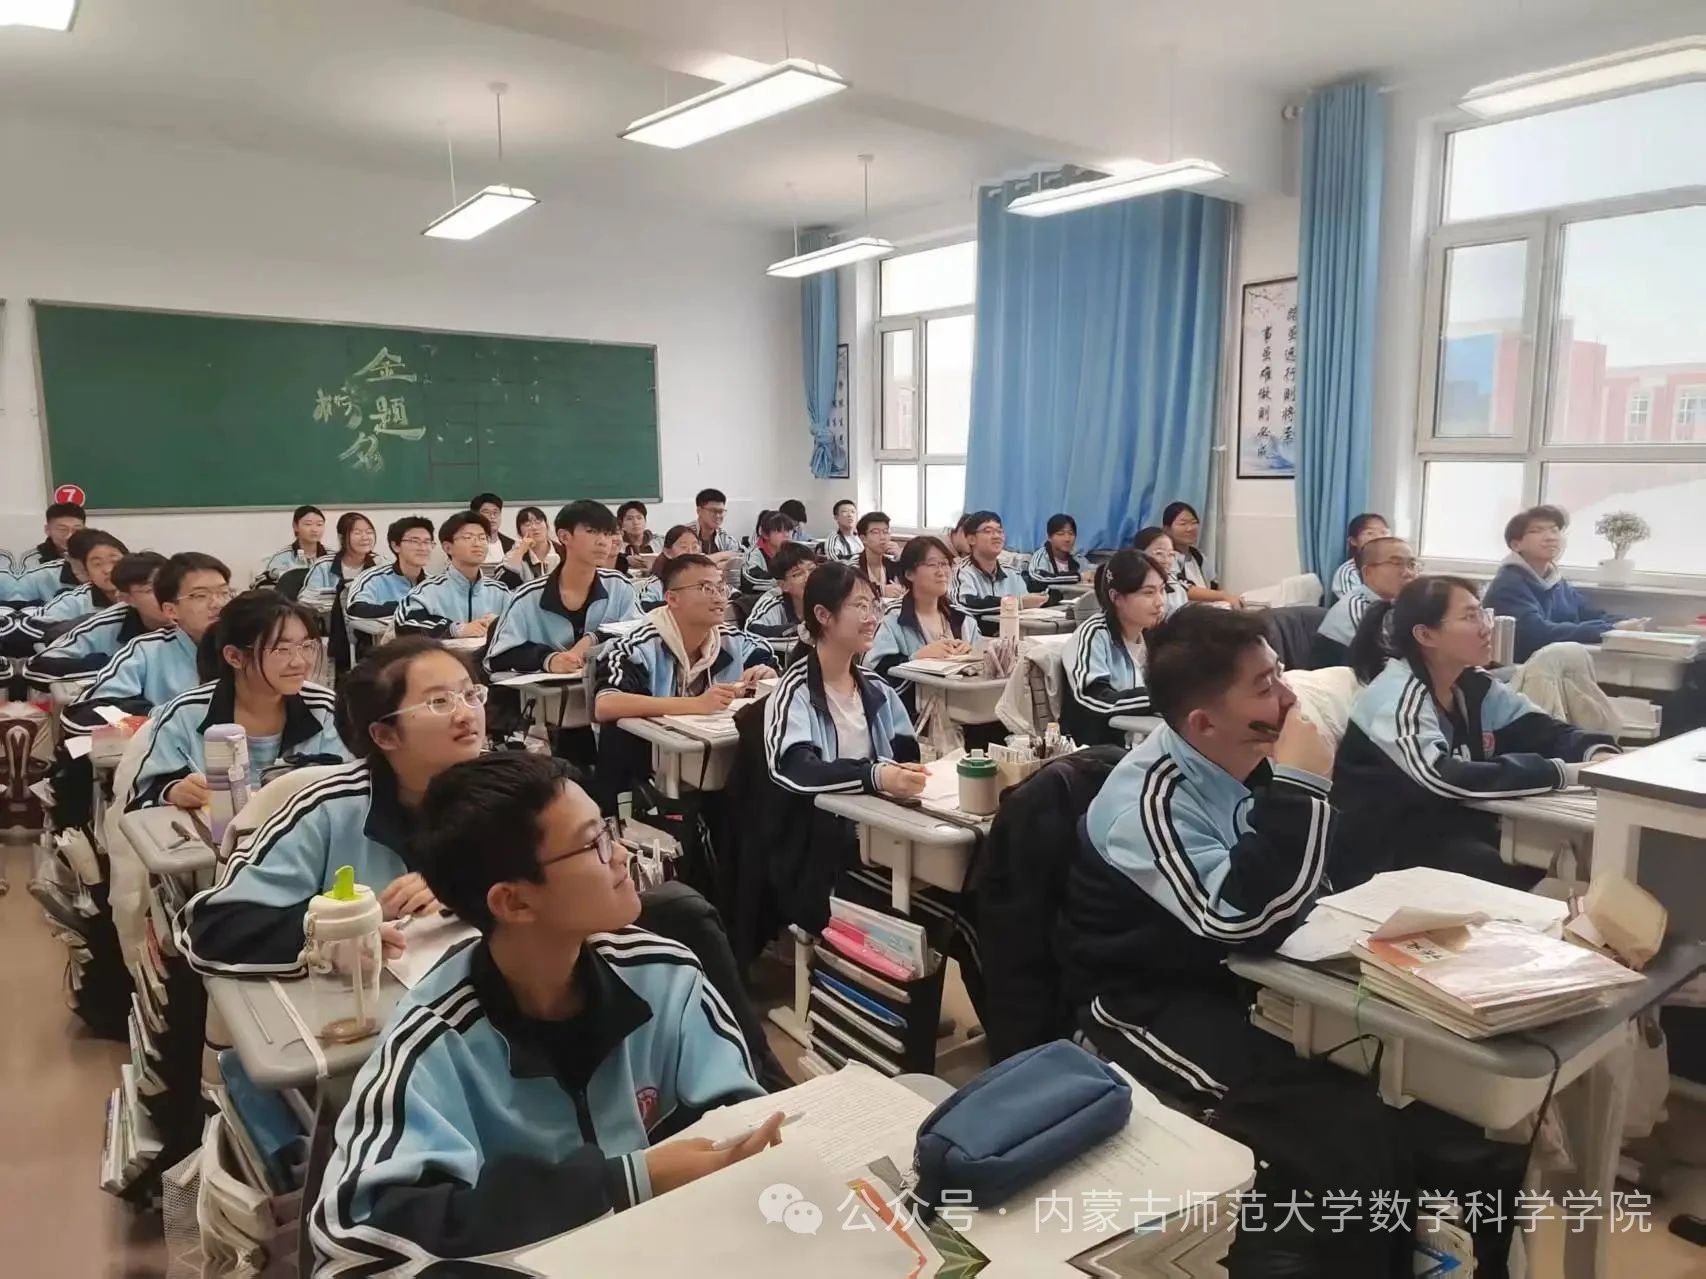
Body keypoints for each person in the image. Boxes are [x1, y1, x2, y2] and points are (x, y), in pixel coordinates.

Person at [309, 752, 781, 1273]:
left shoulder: (666, 975)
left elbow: (744, 1122)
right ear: (513, 903)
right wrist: (627, 1182)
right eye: (595, 843)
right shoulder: (433, 1041)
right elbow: (355, 1242)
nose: (622, 854)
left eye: (609, 830)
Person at [1060, 605, 1334, 1099]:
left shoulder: (1250, 758)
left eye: (1279, 673)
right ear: (1204, 724)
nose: (1289, 698)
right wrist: (1301, 790)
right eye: (1264, 688)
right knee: (1301, 1105)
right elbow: (1241, 921)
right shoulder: (1146, 805)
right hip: (1144, 1000)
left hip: (1236, 976)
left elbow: (1310, 880)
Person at [177, 638, 488, 974]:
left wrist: (461, 893)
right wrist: (331, 937)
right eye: (440, 701)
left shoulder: (513, 793)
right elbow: (212, 928)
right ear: (385, 735)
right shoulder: (328, 810)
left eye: (470, 695)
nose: (466, 714)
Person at [762, 563, 981, 988]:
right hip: (822, 859)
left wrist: (909, 775)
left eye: (875, 606)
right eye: (859, 606)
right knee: (964, 922)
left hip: (886, 841)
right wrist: (876, 776)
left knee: (980, 897)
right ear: (823, 616)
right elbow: (794, 769)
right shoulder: (794, 692)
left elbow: (906, 760)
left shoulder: (877, 690)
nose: (872, 618)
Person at [1334, 575, 1619, 887]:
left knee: (1562, 855)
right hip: (1385, 852)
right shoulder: (1396, 697)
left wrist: (1597, 752)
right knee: (1507, 869)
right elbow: (1442, 777)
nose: (1486, 627)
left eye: (1483, 613)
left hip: (1448, 828)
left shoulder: (1472, 684)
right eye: (1470, 617)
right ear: (1426, 635)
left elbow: (1541, 730)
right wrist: (1562, 772)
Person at [128, 591, 346, 810]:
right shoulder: (186, 713)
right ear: (234, 657)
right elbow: (141, 797)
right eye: (281, 649)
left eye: (307, 647)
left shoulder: (326, 709)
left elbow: (350, 791)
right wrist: (172, 791)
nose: (299, 662)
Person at [594, 553, 776, 811]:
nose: (718, 597)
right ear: (672, 598)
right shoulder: (637, 646)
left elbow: (768, 661)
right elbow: (606, 704)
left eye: (720, 587)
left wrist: (765, 672)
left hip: (712, 762)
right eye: (705, 588)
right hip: (644, 769)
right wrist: (696, 704)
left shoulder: (731, 639)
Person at [63, 552, 231, 735]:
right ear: (171, 610)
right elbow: (86, 712)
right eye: (200, 596)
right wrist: (159, 717)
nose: (218, 604)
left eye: (224, 593)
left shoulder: (247, 647)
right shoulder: (147, 651)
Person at [486, 501, 642, 676]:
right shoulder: (528, 597)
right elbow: (499, 657)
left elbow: (639, 633)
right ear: (564, 536)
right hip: (549, 691)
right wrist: (547, 659)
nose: (603, 542)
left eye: (607, 534)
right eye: (592, 531)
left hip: (609, 686)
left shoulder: (619, 586)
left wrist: (594, 638)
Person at [1482, 504, 1633, 663]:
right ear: (1516, 545)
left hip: (1552, 664)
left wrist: (1624, 623)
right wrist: (1610, 629)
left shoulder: (1555, 580)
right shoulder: (1509, 583)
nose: (1550, 537)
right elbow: (1539, 634)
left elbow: (1588, 613)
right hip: (1520, 669)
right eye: (1537, 531)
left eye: (1554, 530)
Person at [1061, 549, 1168, 747]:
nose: (1160, 601)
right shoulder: (1094, 635)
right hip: (1103, 751)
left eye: (1162, 590)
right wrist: (1159, 699)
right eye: (1148, 592)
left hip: (1147, 745)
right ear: (1116, 597)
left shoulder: (1155, 634)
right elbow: (1094, 699)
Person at [867, 536, 980, 717]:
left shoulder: (963, 619)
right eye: (932, 564)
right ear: (909, 574)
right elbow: (873, 675)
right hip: (910, 716)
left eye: (945, 564)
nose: (941, 572)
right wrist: (916, 658)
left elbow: (983, 668)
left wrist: (972, 654)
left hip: (962, 711)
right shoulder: (892, 618)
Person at [24, 551, 168, 683]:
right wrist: (123, 664)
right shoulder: (108, 623)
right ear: (126, 598)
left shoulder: (181, 620)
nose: (166, 596)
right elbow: (37, 667)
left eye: (169, 587)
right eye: (150, 590)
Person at [394, 512, 512, 640]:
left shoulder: (500, 592)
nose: (477, 543)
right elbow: (404, 623)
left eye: (482, 538)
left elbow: (524, 622)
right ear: (448, 547)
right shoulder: (427, 591)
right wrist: (455, 629)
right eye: (468, 537)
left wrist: (500, 622)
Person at [1310, 535, 1420, 668]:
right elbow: (1381, 665)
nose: (1408, 573)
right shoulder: (1358, 607)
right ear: (1367, 572)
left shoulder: (1398, 604)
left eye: (1412, 565)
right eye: (1396, 563)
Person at [12, 528, 128, 641]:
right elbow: (31, 627)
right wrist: (89, 622)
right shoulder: (73, 602)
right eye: (97, 564)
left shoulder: (138, 594)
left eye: (115, 561)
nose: (108, 570)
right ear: (86, 572)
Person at [951, 511, 1043, 632]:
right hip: (977, 638)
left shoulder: (1012, 572)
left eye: (1000, 531)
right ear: (971, 539)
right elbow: (964, 604)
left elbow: (1027, 609)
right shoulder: (962, 572)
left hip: (1013, 635)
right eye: (988, 531)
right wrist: (1015, 603)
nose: (996, 536)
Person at [346, 516, 434, 632]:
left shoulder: (434, 584)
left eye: (427, 542)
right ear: (395, 546)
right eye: (414, 541)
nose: (423, 548)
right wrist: (407, 608)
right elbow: (354, 611)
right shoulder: (372, 578)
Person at [3, 521, 107, 609]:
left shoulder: (113, 577)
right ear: (68, 557)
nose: (88, 567)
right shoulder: (37, 577)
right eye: (82, 560)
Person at [1161, 501, 1240, 607]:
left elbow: (1214, 586)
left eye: (1194, 522)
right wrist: (1223, 596)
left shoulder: (1198, 556)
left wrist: (1229, 599)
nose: (1190, 528)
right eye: (1183, 524)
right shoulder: (1166, 558)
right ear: (1167, 530)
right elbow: (1185, 589)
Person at [743, 541, 817, 642]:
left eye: (812, 569)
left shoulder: (829, 593)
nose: (808, 577)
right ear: (783, 585)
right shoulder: (774, 600)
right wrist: (798, 630)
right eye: (797, 574)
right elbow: (750, 630)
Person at [302, 512, 378, 597]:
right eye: (357, 533)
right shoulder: (324, 566)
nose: (365, 537)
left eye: (369, 532)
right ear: (341, 538)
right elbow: (306, 601)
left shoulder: (382, 564)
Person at [256, 504, 327, 586]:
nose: (314, 529)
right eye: (308, 524)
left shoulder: (331, 556)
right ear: (295, 526)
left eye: (319, 524)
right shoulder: (281, 557)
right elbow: (262, 585)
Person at [1330, 513, 1391, 602]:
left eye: (1384, 532)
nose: (1379, 537)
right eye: (1370, 533)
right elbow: (1356, 605)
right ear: (1353, 541)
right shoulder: (1349, 572)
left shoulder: (1396, 568)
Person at [1131, 526, 1192, 616]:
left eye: (1170, 554)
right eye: (1159, 553)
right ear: (1139, 553)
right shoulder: (1130, 586)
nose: (1166, 560)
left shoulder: (1177, 588)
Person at [637, 525, 701, 609]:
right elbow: (643, 607)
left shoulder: (705, 580)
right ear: (667, 552)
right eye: (684, 547)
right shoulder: (657, 583)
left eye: (694, 547)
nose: (690, 552)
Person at [1026, 514, 1091, 589]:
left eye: (1071, 534)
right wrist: (1079, 577)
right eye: (1061, 534)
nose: (1067, 539)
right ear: (1049, 537)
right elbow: (1039, 578)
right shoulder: (1040, 557)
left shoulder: (1078, 559)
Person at [738, 510, 797, 595]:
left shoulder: (790, 553)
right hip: (759, 597)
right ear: (765, 534)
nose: (787, 535)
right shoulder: (754, 554)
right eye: (780, 531)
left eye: (789, 531)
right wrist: (781, 582)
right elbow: (751, 576)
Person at [18, 499, 85, 571]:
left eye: (76, 530)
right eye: (62, 529)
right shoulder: (30, 560)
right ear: (47, 530)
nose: (69, 536)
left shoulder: (91, 556)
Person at [504, 505, 561, 584]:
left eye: (538, 522)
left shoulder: (562, 552)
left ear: (547, 526)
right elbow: (506, 583)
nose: (534, 527)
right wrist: (520, 552)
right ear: (520, 532)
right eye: (527, 524)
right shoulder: (514, 555)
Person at [854, 512, 903, 598]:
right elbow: (851, 591)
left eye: (886, 532)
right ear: (863, 538)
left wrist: (901, 559)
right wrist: (881, 591)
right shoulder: (853, 565)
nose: (883, 537)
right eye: (876, 532)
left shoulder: (892, 563)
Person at [690, 488, 739, 565]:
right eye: (713, 511)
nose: (718, 516)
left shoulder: (725, 537)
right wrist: (722, 555)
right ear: (699, 511)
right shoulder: (685, 533)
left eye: (721, 511)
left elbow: (737, 560)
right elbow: (688, 565)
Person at [614, 500, 657, 574]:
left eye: (639, 518)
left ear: (645, 521)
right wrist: (625, 560)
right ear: (621, 524)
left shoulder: (659, 542)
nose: (635, 522)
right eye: (629, 519)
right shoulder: (615, 544)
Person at [471, 491, 517, 556]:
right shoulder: (468, 544)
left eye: (495, 512)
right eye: (486, 512)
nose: (492, 516)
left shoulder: (512, 545)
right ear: (475, 516)